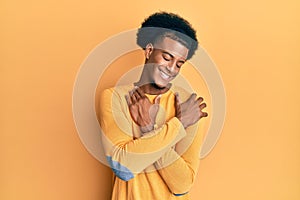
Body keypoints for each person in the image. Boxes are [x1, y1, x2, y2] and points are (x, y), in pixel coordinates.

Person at [98, 12, 209, 200]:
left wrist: (150, 129)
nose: (172, 69)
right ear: (149, 50)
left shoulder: (189, 106)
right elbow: (123, 168)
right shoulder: (115, 97)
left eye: (179, 63)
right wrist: (179, 124)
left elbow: (182, 185)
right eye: (167, 57)